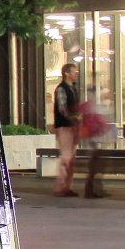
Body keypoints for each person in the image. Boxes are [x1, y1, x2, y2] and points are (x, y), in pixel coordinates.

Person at [53, 63, 80, 196]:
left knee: (71, 158)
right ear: (66, 73)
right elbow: (62, 108)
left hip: (72, 126)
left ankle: (67, 187)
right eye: (74, 72)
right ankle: (61, 187)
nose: (76, 74)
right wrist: (73, 118)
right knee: (66, 156)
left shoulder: (73, 89)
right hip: (64, 126)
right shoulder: (62, 89)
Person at [78, 85, 110, 198]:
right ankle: (91, 190)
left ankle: (95, 189)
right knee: (94, 164)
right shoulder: (88, 107)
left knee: (96, 164)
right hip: (93, 137)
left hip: (95, 136)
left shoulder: (91, 106)